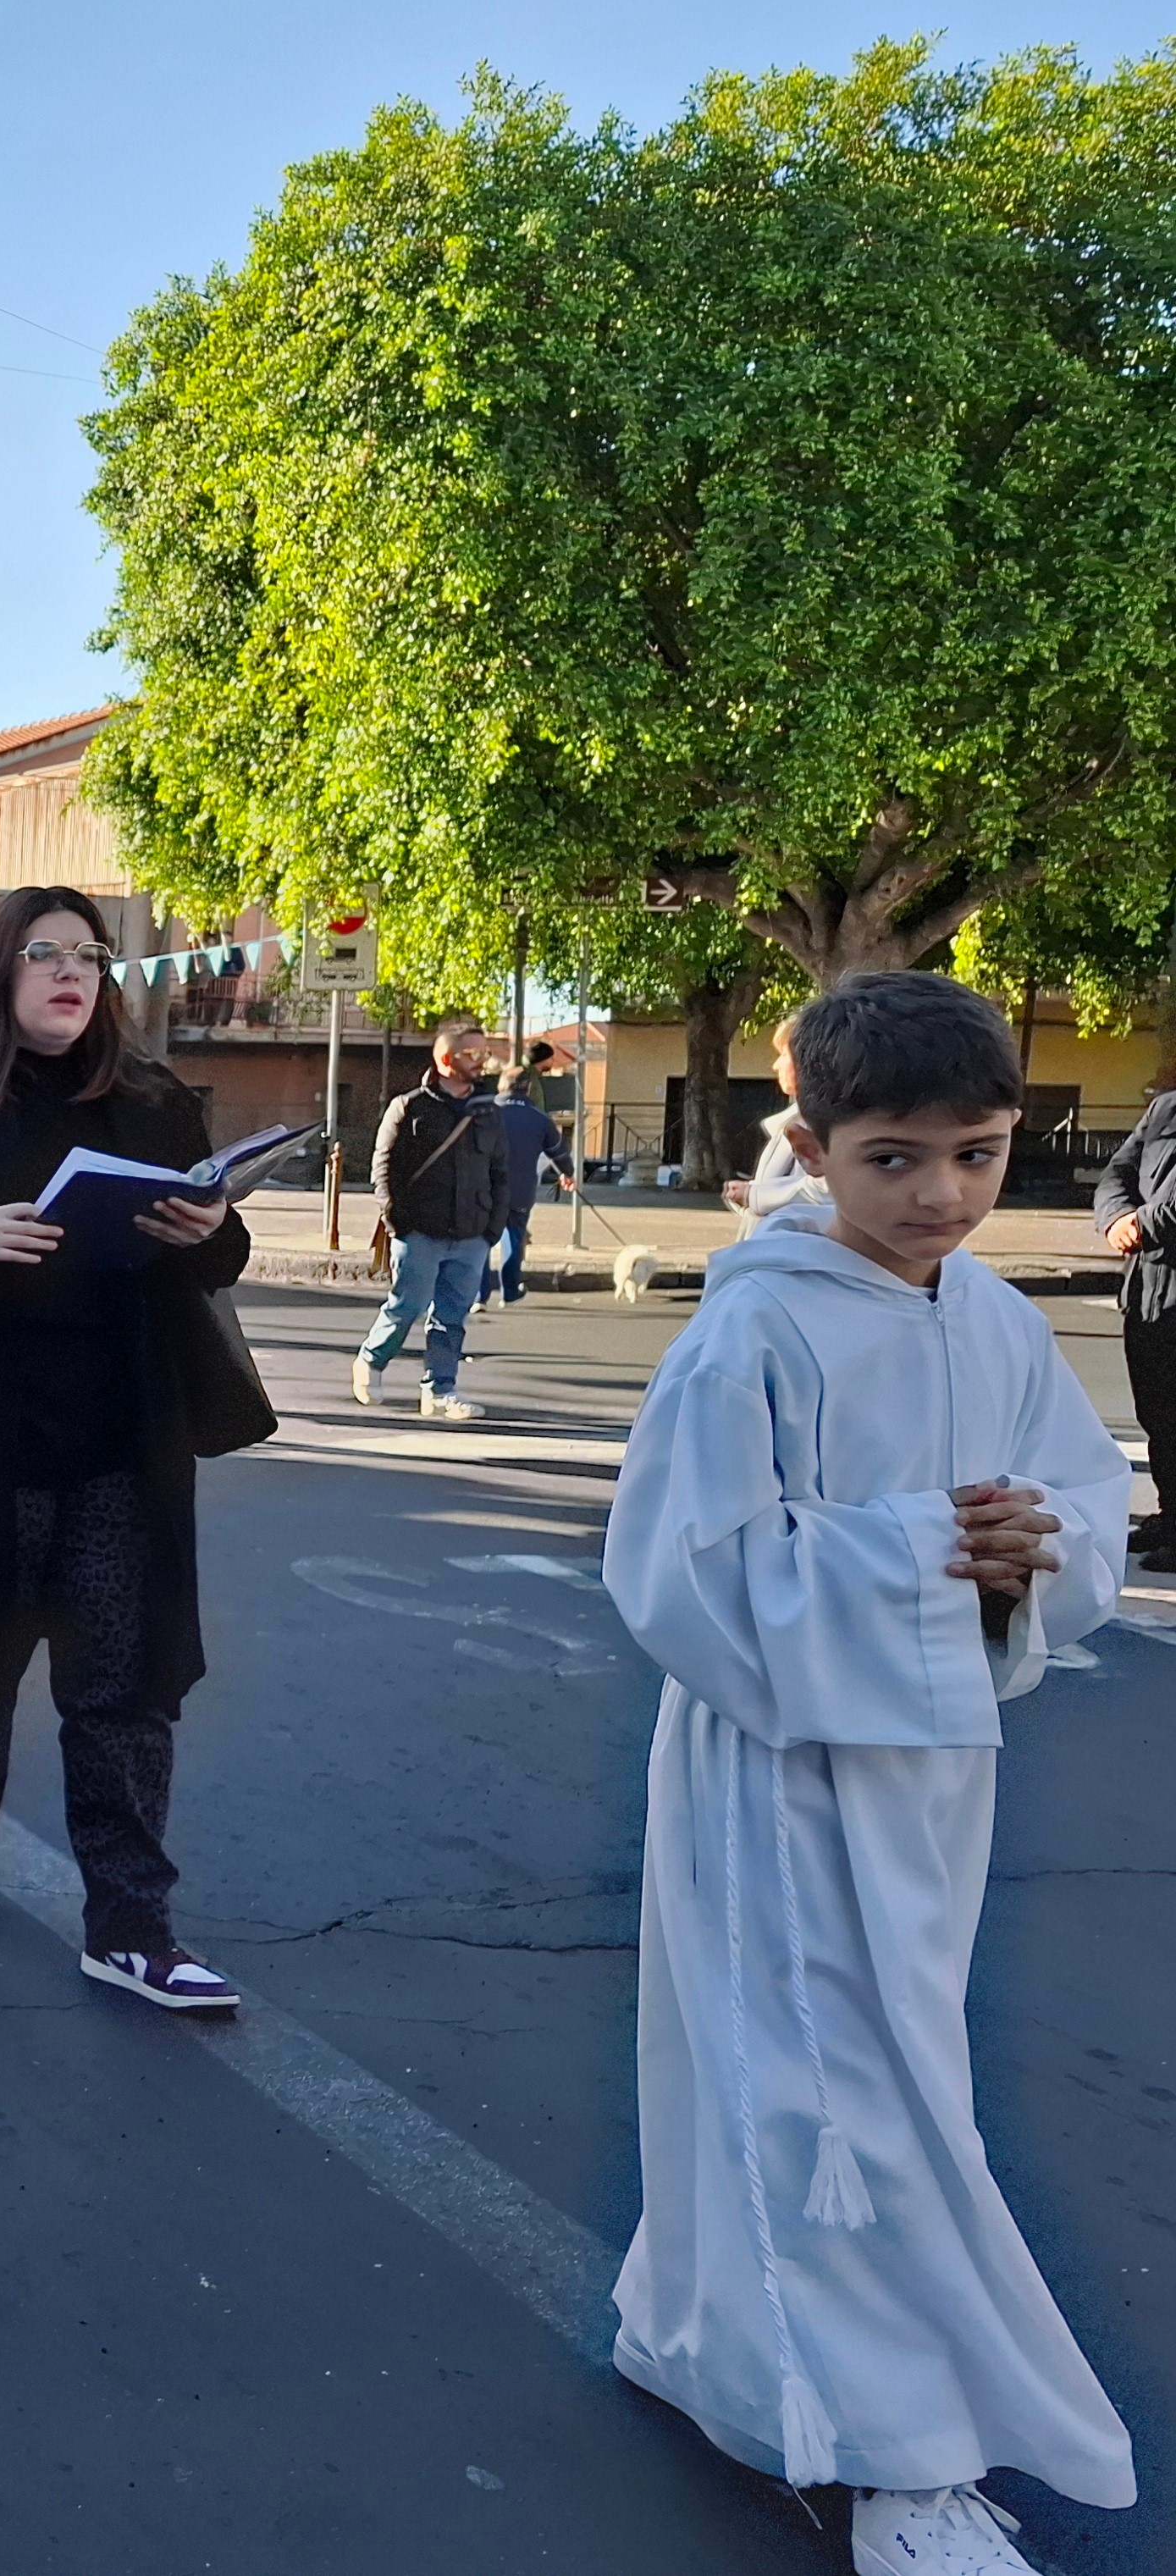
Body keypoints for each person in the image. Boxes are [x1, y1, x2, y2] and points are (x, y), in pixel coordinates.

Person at [604, 969, 1134, 2574]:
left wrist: (1036, 1550)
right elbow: (679, 1571)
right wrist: (929, 1556)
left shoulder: (989, 1308)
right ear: (815, 1148)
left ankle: (701, 2333)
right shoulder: (756, 1320)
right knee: (841, 2094)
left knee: (878, 2069)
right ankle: (901, 2458)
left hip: (935, 1772)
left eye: (976, 1155)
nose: (942, 1196)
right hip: (782, 1766)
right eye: (894, 1158)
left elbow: (1083, 1494)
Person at [0, 885, 246, 2008]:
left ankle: (130, 1922)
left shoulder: (156, 1103)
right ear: (0, 976)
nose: (71, 974)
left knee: (125, 1686)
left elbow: (217, 1258)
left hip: (122, 1438)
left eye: (88, 957)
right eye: (44, 955)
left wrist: (214, 1229)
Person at [354, 1019, 505, 1420]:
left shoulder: (489, 1112)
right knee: (408, 1305)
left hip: (472, 1234)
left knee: (452, 1315)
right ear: (445, 1059)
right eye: (472, 1053)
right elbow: (383, 1168)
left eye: (484, 1052)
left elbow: (502, 1172)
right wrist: (396, 1219)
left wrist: (493, 1226)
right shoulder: (410, 1107)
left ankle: (441, 1389)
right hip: (419, 1230)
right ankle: (371, 1359)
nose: (481, 1060)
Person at [1096, 1079, 1176, 1572]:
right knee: (1159, 1414)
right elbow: (1117, 1171)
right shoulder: (1166, 1109)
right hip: (1148, 1291)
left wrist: (1142, 1224)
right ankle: (1170, 1517)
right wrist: (1115, 1217)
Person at [724, 1018, 829, 1233]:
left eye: (783, 1054)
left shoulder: (824, 1123)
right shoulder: (796, 1121)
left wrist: (753, 1196)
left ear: (807, 1062)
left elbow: (828, 1192)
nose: (776, 1065)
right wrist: (749, 1196)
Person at [479, 1064, 572, 1305]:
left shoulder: (485, 1113)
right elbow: (559, 1152)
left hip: (484, 1189)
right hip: (520, 1190)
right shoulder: (540, 1119)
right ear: (528, 1088)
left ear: (502, 1085)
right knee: (514, 1238)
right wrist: (567, 1175)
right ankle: (510, 1291)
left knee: (481, 1241)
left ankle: (479, 1295)